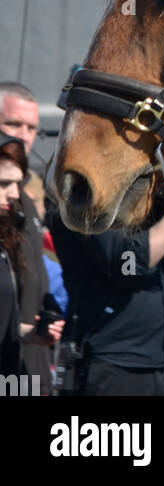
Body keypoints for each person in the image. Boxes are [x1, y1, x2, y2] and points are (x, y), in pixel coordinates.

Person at [50, 185, 164, 396]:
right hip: (114, 362)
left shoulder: (137, 199)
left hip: (162, 360)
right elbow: (128, 265)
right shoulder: (82, 200)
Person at [0, 81, 59, 391]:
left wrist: (49, 306)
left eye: (31, 127)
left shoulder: (24, 198)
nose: (23, 135)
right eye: (13, 123)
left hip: (32, 362)